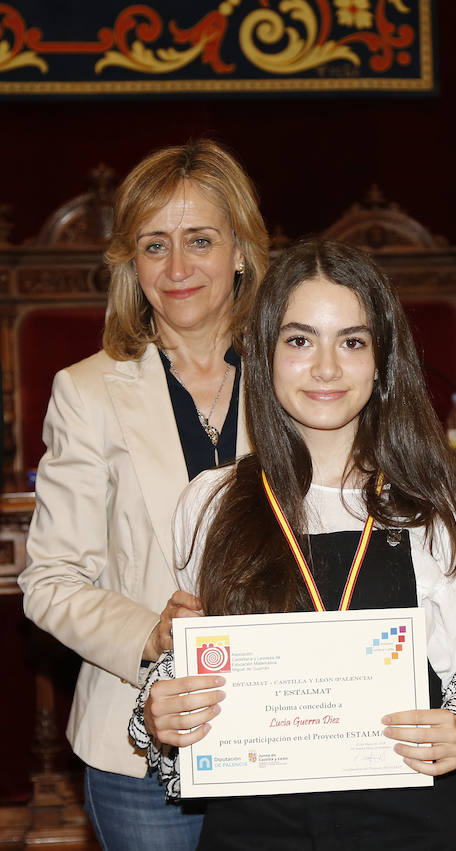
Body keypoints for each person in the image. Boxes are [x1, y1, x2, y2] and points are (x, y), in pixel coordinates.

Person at [130, 238, 456, 850]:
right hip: (254, 832)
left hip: (405, 829)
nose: (326, 368)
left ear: (382, 362)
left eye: (351, 341)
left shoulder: (442, 505)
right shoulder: (210, 504)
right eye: (299, 340)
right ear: (264, 354)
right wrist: (162, 716)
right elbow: (184, 666)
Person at [19, 140, 269, 850]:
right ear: (132, 262)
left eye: (200, 240)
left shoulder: (299, 376)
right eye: (155, 245)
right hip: (138, 751)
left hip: (284, 731)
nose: (178, 267)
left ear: (242, 251)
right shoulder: (88, 390)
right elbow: (48, 581)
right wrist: (149, 635)